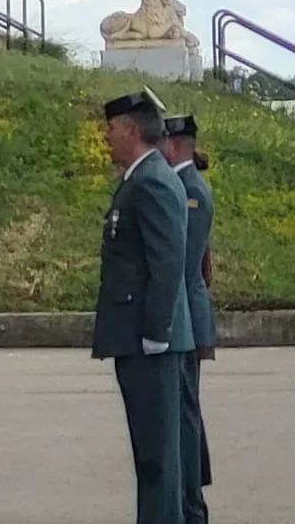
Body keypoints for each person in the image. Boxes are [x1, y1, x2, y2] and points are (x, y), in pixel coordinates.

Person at [95, 90, 195, 524]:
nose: (106, 137)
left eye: (111, 129)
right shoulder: (141, 178)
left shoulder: (151, 180)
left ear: (131, 130)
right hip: (141, 335)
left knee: (157, 456)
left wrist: (156, 331)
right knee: (152, 453)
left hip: (149, 339)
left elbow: (167, 261)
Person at [164, 114, 216, 524]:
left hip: (185, 315)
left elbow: (184, 265)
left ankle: (192, 505)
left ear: (176, 145)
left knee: (184, 414)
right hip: (183, 313)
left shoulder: (190, 190)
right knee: (183, 412)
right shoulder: (180, 185)